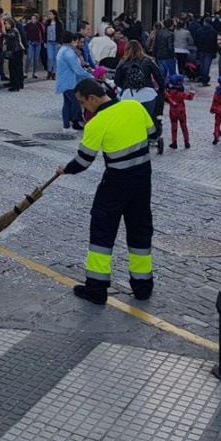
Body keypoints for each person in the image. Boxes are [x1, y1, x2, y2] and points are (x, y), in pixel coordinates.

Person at [58, 79, 159, 305]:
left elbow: (83, 161)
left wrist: (65, 169)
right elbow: (153, 134)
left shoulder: (97, 123)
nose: (85, 108)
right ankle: (143, 286)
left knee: (102, 235)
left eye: (83, 103)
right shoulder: (134, 106)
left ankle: (96, 289)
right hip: (142, 182)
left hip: (115, 184)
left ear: (92, 98)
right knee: (140, 230)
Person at [57, 31, 93, 132]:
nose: (76, 43)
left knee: (67, 103)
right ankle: (70, 121)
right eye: (76, 41)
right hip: (69, 81)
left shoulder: (62, 50)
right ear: (72, 40)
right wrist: (89, 76)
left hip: (64, 80)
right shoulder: (68, 52)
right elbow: (77, 68)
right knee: (76, 103)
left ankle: (66, 126)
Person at [164, 73, 195, 150]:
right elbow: (190, 97)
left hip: (173, 112)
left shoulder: (170, 92)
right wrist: (192, 92)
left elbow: (166, 98)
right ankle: (186, 142)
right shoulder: (181, 93)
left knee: (174, 127)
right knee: (184, 126)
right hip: (181, 111)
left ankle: (174, 142)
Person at [3, 15, 26, 92]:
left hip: (17, 51)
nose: (6, 26)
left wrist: (3, 34)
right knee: (15, 67)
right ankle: (16, 83)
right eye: (5, 24)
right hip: (16, 50)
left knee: (15, 68)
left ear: (11, 24)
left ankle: (16, 85)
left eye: (7, 24)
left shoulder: (14, 30)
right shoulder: (11, 30)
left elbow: (12, 36)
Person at [194, 15, 218, 86]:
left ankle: (202, 77)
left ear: (205, 22)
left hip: (201, 50)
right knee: (206, 66)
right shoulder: (214, 32)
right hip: (209, 51)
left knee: (201, 65)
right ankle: (204, 80)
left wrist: (198, 47)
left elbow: (196, 40)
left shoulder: (199, 30)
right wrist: (215, 50)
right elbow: (215, 42)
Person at [24, 13, 45, 79]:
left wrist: (43, 41)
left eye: (34, 19)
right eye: (32, 18)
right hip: (30, 43)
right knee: (29, 57)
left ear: (37, 19)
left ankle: (34, 72)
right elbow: (24, 32)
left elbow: (42, 33)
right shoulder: (28, 25)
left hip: (37, 43)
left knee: (36, 59)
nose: (33, 20)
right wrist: (27, 40)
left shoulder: (39, 25)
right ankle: (26, 72)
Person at [45, 10, 60, 81]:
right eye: (49, 14)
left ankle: (54, 73)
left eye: (50, 14)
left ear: (54, 15)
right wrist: (45, 41)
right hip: (49, 42)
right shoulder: (47, 23)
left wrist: (60, 42)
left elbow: (61, 33)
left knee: (55, 58)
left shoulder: (59, 23)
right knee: (50, 57)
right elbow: (45, 33)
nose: (49, 15)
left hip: (56, 42)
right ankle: (49, 71)